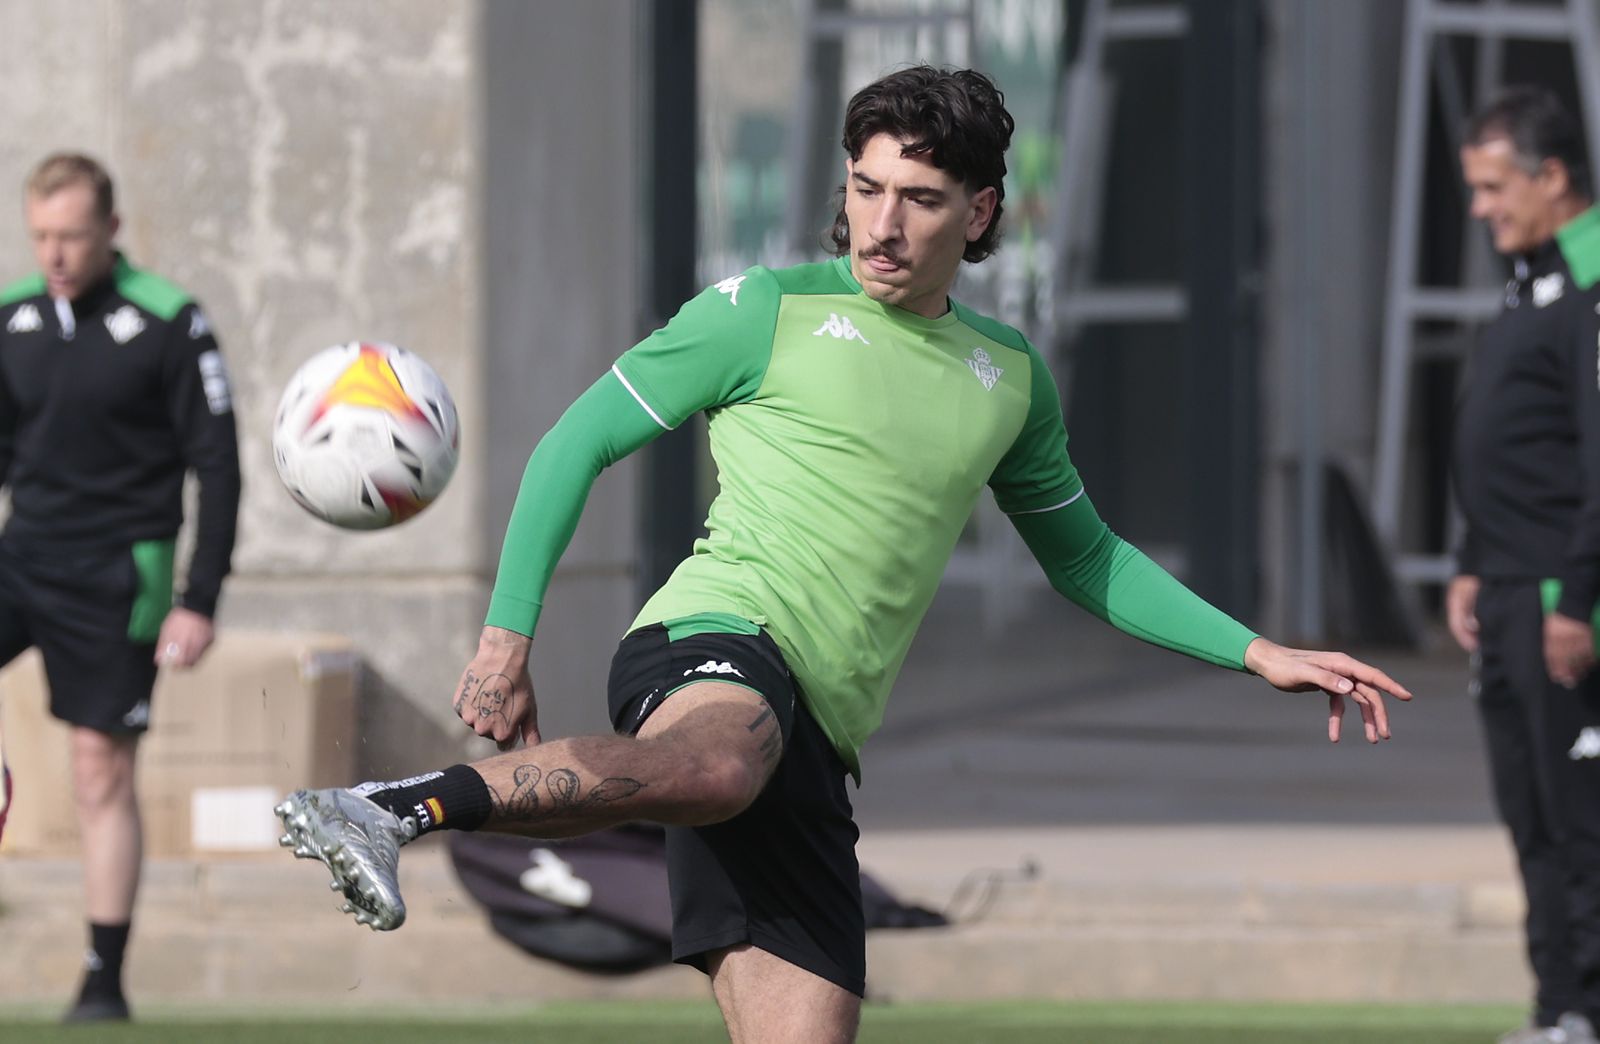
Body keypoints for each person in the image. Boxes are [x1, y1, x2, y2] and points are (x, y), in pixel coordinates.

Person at [277, 67, 1409, 1044]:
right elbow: (577, 441)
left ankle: (405, 809)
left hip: (818, 738)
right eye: (865, 190)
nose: (883, 224)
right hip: (715, 636)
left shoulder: (1007, 377)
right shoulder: (758, 312)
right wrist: (508, 633)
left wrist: (1256, 652)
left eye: (920, 200)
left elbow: (1087, 557)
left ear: (979, 213)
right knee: (716, 763)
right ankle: (388, 806)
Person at [0, 153, 241, 1023]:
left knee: (98, 771)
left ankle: (103, 978)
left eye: (70, 235)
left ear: (110, 229)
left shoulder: (172, 322)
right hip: (21, 553)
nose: (54, 254)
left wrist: (198, 595)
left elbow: (217, 466)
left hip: (117, 574)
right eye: (40, 237)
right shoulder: (13, 318)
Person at [1448, 86, 1600, 1044]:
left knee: (1582, 824)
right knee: (1532, 820)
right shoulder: (1530, 273)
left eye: (1495, 186)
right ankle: (1560, 1011)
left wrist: (1575, 600)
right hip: (1502, 589)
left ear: (1552, 178)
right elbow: (1513, 439)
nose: (1480, 208)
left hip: (1559, 594)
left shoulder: (1590, 286)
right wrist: (1471, 559)